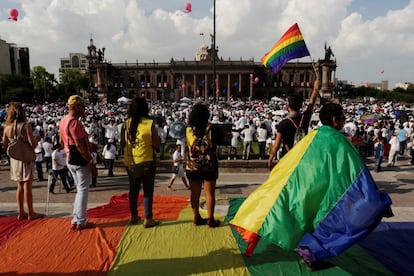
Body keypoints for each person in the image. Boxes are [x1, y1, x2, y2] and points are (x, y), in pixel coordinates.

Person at [231, 103, 393, 271]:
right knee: (323, 221)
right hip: (327, 190)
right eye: (342, 118)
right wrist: (373, 198)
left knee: (309, 219)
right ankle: (312, 255)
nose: (344, 121)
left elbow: (292, 160)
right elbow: (355, 172)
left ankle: (309, 253)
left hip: (309, 186)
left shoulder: (312, 136)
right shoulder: (339, 141)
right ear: (335, 120)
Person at [121, 96, 160, 228]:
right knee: (148, 191)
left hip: (131, 162)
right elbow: (156, 144)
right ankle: (148, 218)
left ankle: (134, 215)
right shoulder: (149, 123)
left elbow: (122, 143)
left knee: (133, 190)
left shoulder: (126, 124)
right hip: (146, 160)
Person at [2, 102, 44, 220]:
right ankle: (31, 212)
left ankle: (21, 212)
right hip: (25, 157)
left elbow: (4, 145)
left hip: (14, 158)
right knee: (27, 186)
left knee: (19, 186)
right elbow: (32, 144)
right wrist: (36, 140)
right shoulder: (26, 126)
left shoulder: (7, 126)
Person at [59, 95, 94, 231]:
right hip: (79, 160)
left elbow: (62, 142)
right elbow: (80, 146)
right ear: (76, 107)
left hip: (70, 159)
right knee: (83, 190)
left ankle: (76, 218)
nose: (84, 110)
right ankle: (80, 221)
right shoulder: (74, 123)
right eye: (82, 107)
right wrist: (90, 162)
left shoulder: (63, 121)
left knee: (79, 190)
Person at [268, 79, 320, 169]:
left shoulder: (283, 124)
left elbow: (277, 145)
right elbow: (311, 103)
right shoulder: (305, 118)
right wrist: (315, 89)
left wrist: (270, 159)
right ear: (300, 106)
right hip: (302, 156)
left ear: (288, 106)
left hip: (288, 156)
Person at [185, 103, 221, 228]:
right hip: (209, 166)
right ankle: (211, 219)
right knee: (209, 194)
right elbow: (219, 143)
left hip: (192, 166)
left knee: (194, 194)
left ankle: (196, 217)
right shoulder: (211, 129)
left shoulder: (188, 129)